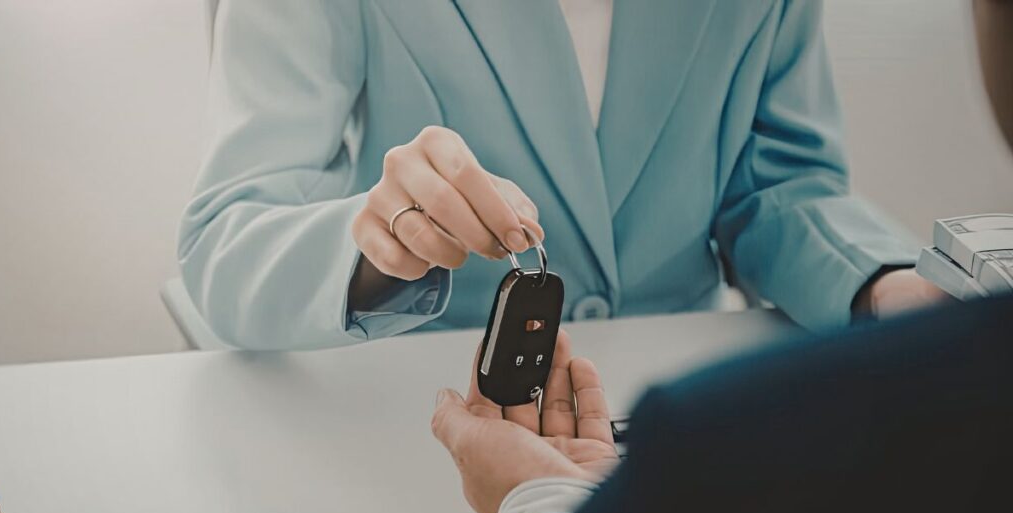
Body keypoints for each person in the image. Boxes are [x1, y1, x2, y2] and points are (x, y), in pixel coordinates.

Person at [418, 1, 1013, 513]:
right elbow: (225, 234)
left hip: (620, 487)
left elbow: (780, 179)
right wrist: (888, 289)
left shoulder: (718, 450)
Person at [178, 1, 944, 351]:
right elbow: (228, 240)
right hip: (434, 415)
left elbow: (777, 189)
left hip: (678, 414)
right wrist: (380, 247)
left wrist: (883, 285)